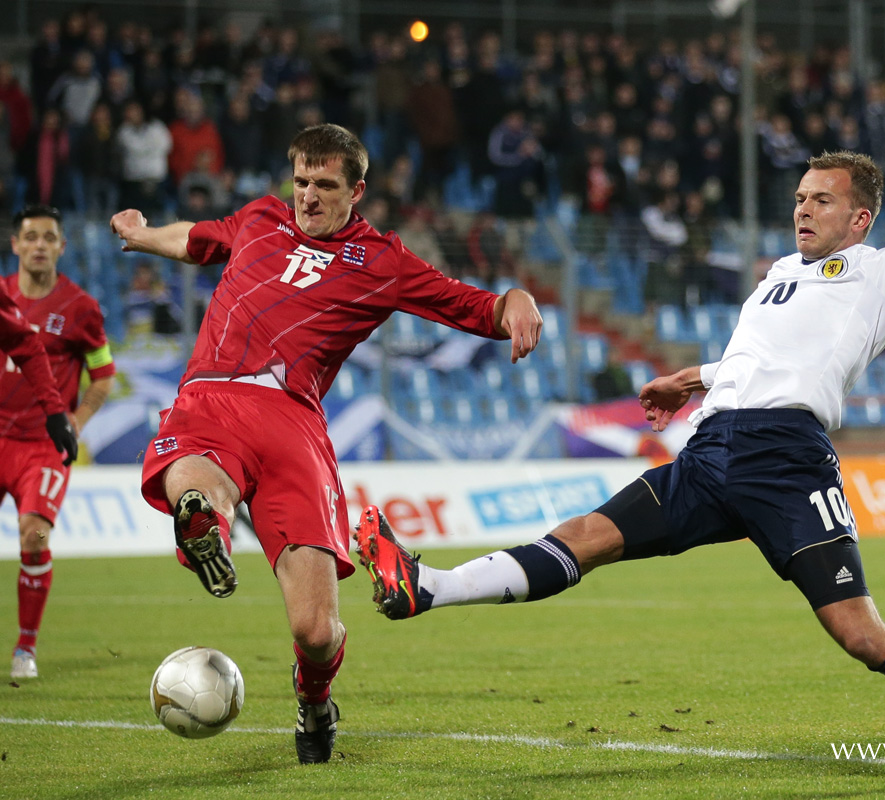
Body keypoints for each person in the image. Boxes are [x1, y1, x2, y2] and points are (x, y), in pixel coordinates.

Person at [355, 20, 885, 783]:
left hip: (787, 460)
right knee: (584, 537)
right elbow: (760, 358)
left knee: (861, 636)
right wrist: (693, 378)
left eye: (822, 201)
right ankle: (425, 587)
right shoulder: (774, 274)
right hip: (709, 450)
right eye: (800, 197)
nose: (803, 209)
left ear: (860, 219)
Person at [109, 123, 541, 764]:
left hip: (294, 426)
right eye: (301, 181)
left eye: (325, 185)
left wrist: (518, 300)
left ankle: (316, 702)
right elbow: (197, 241)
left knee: (316, 631)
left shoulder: (384, 262)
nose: (307, 196)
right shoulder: (259, 217)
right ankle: (206, 525)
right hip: (214, 396)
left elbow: (471, 306)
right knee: (197, 477)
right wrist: (143, 236)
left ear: (357, 190)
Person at [2, 205, 96, 679]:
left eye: (49, 237)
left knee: (35, 533)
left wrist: (72, 421)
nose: (39, 244)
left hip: (42, 443)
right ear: (15, 245)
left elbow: (103, 375)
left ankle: (25, 647)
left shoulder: (81, 308)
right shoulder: (2, 295)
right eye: (30, 236)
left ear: (61, 246)